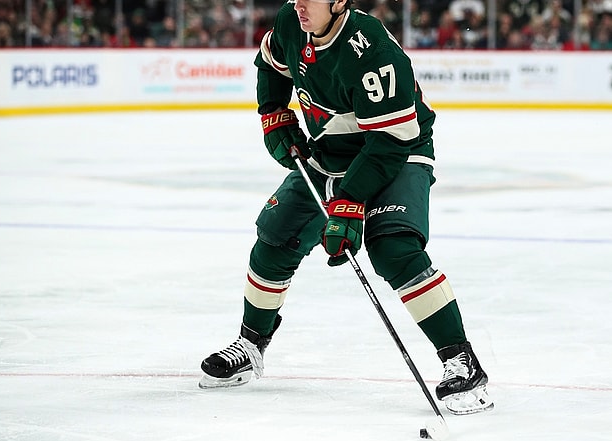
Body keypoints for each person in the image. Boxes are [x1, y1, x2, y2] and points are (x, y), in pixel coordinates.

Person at [199, 0, 492, 415]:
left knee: (394, 248)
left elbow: (391, 140)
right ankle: (250, 345)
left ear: (339, 2)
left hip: (398, 150)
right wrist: (274, 115)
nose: (300, 5)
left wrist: (349, 203)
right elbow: (270, 64)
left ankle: (461, 360)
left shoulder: (371, 49)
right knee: (275, 237)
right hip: (330, 153)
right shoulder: (290, 21)